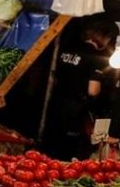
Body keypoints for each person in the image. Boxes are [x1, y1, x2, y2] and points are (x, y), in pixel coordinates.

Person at [43, 16, 119, 160]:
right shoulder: (96, 57)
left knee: (50, 148)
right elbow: (93, 90)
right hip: (74, 110)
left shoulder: (68, 48)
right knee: (66, 154)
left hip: (55, 104)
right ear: (105, 36)